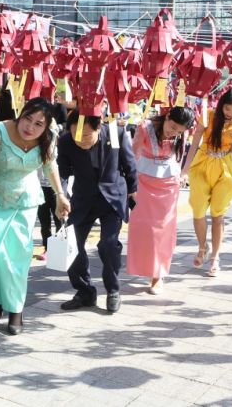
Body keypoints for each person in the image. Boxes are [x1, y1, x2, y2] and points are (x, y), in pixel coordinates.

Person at [0, 98, 69, 335]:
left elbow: (50, 166)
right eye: (28, 118)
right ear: (21, 113)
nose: (31, 127)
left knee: (17, 260)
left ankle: (16, 310)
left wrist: (60, 195)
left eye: (39, 124)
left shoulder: (49, 137)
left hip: (25, 205)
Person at [57, 109, 137, 314]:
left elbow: (129, 165)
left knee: (108, 244)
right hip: (83, 199)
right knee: (70, 243)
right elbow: (62, 173)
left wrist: (133, 192)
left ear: (98, 128)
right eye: (76, 135)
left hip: (112, 198)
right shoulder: (66, 141)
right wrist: (62, 195)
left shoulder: (115, 133)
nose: (80, 140)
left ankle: (112, 290)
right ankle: (84, 292)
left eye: (86, 136)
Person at [127, 106, 195, 294]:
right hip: (143, 180)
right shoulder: (145, 127)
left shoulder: (183, 134)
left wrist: (185, 173)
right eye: (172, 127)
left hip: (168, 183)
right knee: (142, 227)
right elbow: (132, 154)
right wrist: (129, 184)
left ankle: (158, 275)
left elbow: (194, 146)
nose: (173, 133)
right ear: (167, 117)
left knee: (164, 229)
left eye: (179, 131)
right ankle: (142, 266)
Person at [181, 89, 232, 277]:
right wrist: (185, 169)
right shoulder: (208, 115)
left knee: (218, 214)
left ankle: (215, 258)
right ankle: (202, 247)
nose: (230, 113)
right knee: (198, 210)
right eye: (228, 109)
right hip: (202, 163)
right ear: (221, 105)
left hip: (225, 168)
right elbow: (194, 142)